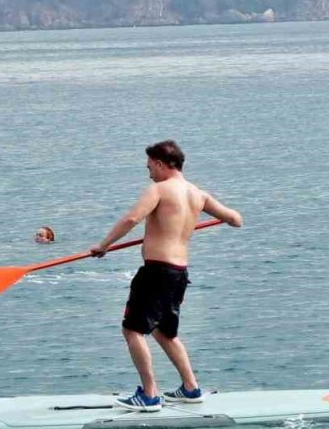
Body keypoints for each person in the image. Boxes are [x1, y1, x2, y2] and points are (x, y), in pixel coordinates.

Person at [90, 140, 243, 412]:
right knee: (164, 332)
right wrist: (226, 218)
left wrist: (104, 245)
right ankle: (190, 388)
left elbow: (131, 219)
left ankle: (149, 395)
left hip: (157, 271)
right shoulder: (199, 195)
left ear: (161, 164)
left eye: (149, 166)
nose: (148, 172)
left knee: (132, 329)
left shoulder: (158, 189)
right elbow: (235, 219)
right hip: (179, 273)